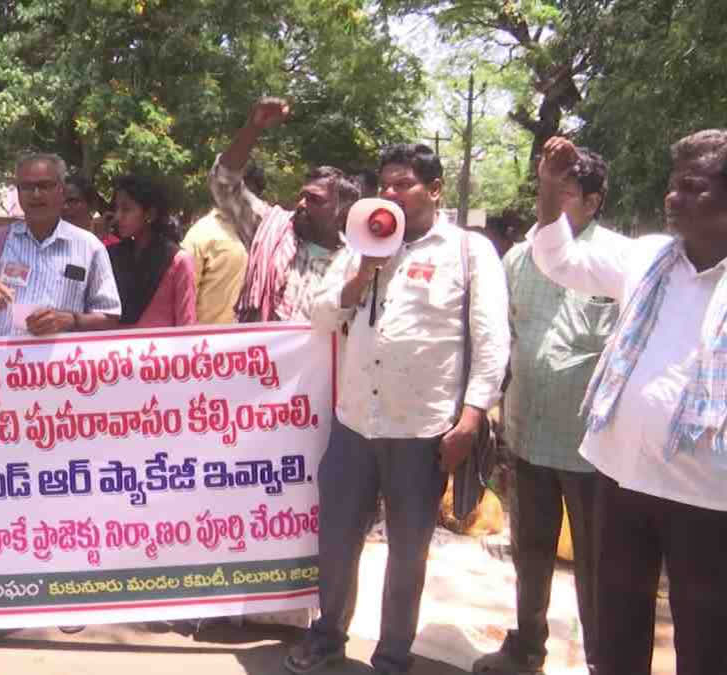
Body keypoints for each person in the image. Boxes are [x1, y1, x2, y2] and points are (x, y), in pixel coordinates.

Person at [301, 143, 510, 674]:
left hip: (423, 429)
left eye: (403, 184)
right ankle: (326, 638)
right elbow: (321, 315)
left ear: (434, 190)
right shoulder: (362, 243)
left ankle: (392, 656)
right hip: (355, 424)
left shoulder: (468, 251)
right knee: (338, 538)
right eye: (384, 184)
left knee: (407, 553)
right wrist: (362, 273)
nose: (389, 194)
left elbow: (491, 341)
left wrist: (471, 416)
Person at [531, 132, 727, 675]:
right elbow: (558, 257)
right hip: (622, 479)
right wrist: (550, 189)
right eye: (672, 185)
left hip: (709, 497)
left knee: (707, 641)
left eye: (692, 188)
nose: (673, 198)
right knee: (617, 631)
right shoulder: (646, 258)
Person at [473, 147, 626, 675]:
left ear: (593, 201)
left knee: (596, 566)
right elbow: (502, 338)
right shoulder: (520, 258)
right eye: (549, 191)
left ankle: (603, 662)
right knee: (530, 552)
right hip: (528, 434)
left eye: (564, 194)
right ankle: (527, 648)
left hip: (592, 448)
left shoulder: (618, 261)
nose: (553, 205)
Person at [210, 97, 360, 322]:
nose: (301, 204)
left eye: (314, 200)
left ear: (343, 213)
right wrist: (253, 126)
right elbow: (224, 182)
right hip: (258, 354)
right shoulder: (272, 229)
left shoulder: (354, 263)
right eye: (302, 196)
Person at [0, 152, 121, 337]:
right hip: (5, 362)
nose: (36, 194)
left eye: (45, 186)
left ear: (62, 190)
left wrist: (71, 320)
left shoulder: (89, 247)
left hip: (63, 363)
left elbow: (110, 318)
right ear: (18, 192)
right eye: (27, 187)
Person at [107, 175, 195, 328]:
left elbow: (186, 324)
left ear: (150, 214)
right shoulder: (112, 255)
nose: (118, 216)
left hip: (160, 351)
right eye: (116, 209)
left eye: (126, 209)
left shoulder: (177, 260)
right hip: (118, 350)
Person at [180, 164, 264, 324]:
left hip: (252, 341)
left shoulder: (264, 233)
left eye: (255, 195)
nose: (249, 202)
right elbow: (184, 298)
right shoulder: (202, 233)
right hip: (209, 342)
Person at [63, 175, 113, 241]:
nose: (64, 207)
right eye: (61, 201)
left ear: (92, 204)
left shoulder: (112, 245)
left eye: (72, 201)